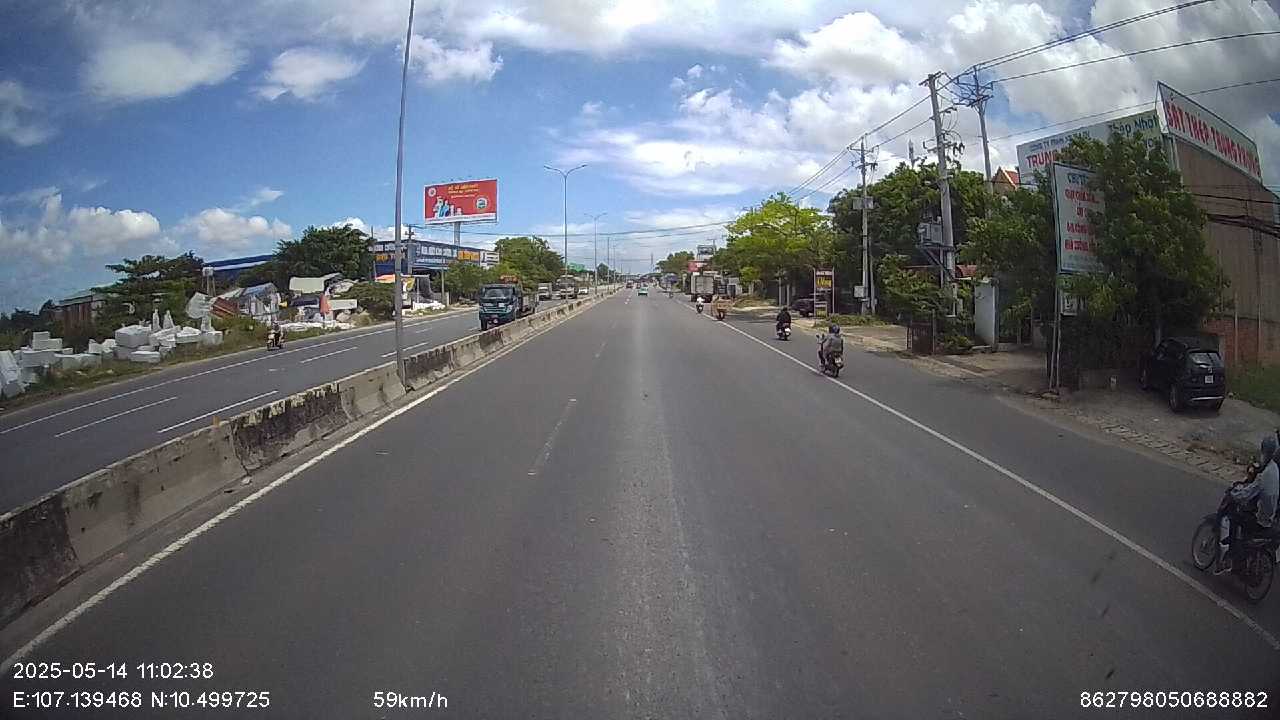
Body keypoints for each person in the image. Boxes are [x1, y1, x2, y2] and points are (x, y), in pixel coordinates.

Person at [1217, 433, 1279, 573]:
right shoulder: (1274, 468)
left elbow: (1246, 494)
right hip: (1270, 515)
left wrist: (1233, 494)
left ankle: (1231, 554)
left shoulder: (1264, 476)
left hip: (1261, 520)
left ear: (1264, 450)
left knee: (1234, 517)